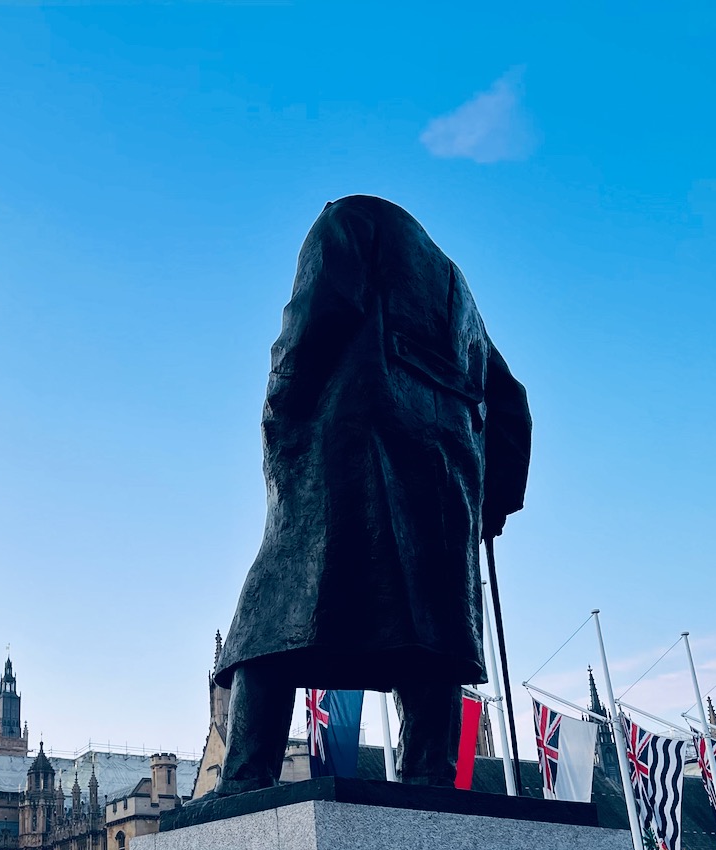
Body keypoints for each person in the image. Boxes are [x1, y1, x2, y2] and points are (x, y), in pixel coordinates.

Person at [212, 195, 531, 794]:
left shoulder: (349, 220)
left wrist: (281, 407)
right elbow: (512, 404)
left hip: (349, 443)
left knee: (271, 616)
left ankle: (246, 775)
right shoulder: (456, 290)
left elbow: (314, 314)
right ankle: (429, 776)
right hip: (446, 480)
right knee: (429, 635)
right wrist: (491, 504)